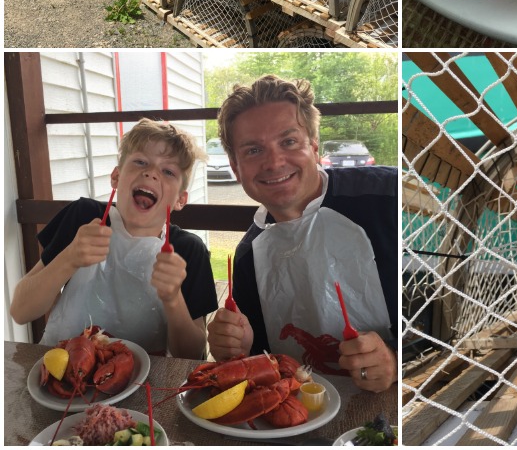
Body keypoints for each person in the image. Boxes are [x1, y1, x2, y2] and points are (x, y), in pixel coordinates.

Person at [207, 75, 398, 393]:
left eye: (289, 142)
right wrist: (237, 347)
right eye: (253, 150)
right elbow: (260, 366)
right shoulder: (248, 254)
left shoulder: (389, 198)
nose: (274, 161)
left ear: (313, 145)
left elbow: (440, 310)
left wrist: (395, 362)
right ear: (236, 167)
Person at [11, 119, 217, 358]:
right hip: (64, 370)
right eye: (140, 161)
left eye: (168, 171)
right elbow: (20, 310)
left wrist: (173, 299)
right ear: (116, 177)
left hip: (144, 385)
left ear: (181, 199)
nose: (151, 173)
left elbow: (192, 354)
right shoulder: (84, 217)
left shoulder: (189, 250)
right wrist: (69, 258)